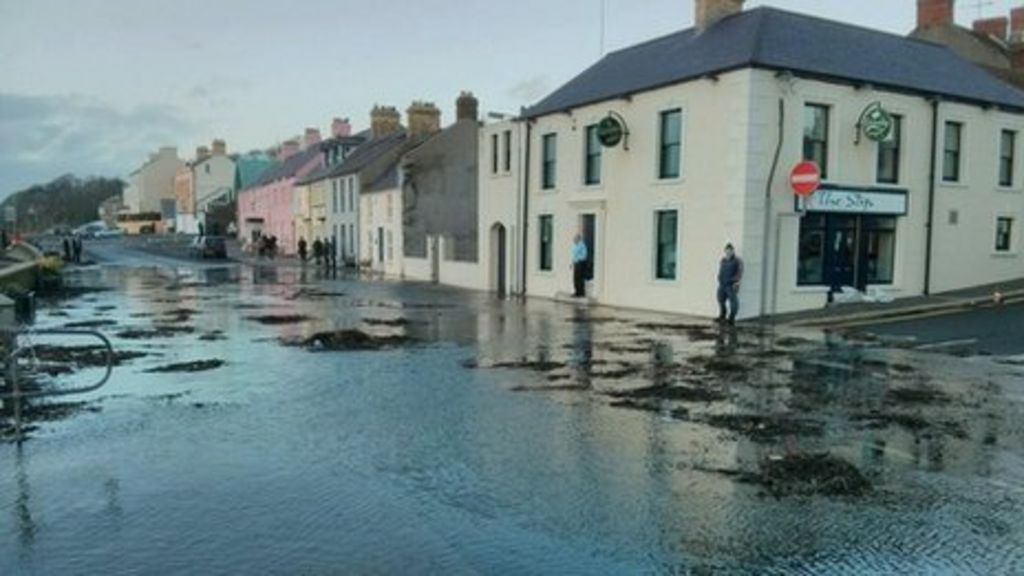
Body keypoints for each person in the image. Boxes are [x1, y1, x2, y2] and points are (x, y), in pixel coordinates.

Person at [716, 243, 743, 325]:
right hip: (722, 284)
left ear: (733, 251)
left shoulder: (737, 261)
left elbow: (739, 272)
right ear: (725, 251)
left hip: (731, 285)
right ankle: (722, 315)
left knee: (733, 302)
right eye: (727, 250)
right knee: (720, 299)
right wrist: (719, 277)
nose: (728, 252)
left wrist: (735, 281)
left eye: (730, 250)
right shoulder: (723, 260)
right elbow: (721, 270)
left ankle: (731, 318)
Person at [571, 234, 588, 298]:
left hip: (580, 263)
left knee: (579, 278)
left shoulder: (581, 245)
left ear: (578, 239)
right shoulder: (576, 245)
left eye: (575, 239)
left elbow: (584, 255)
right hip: (577, 263)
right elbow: (574, 255)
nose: (574, 240)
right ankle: (577, 292)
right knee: (576, 278)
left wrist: (578, 260)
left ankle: (580, 292)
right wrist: (572, 263)